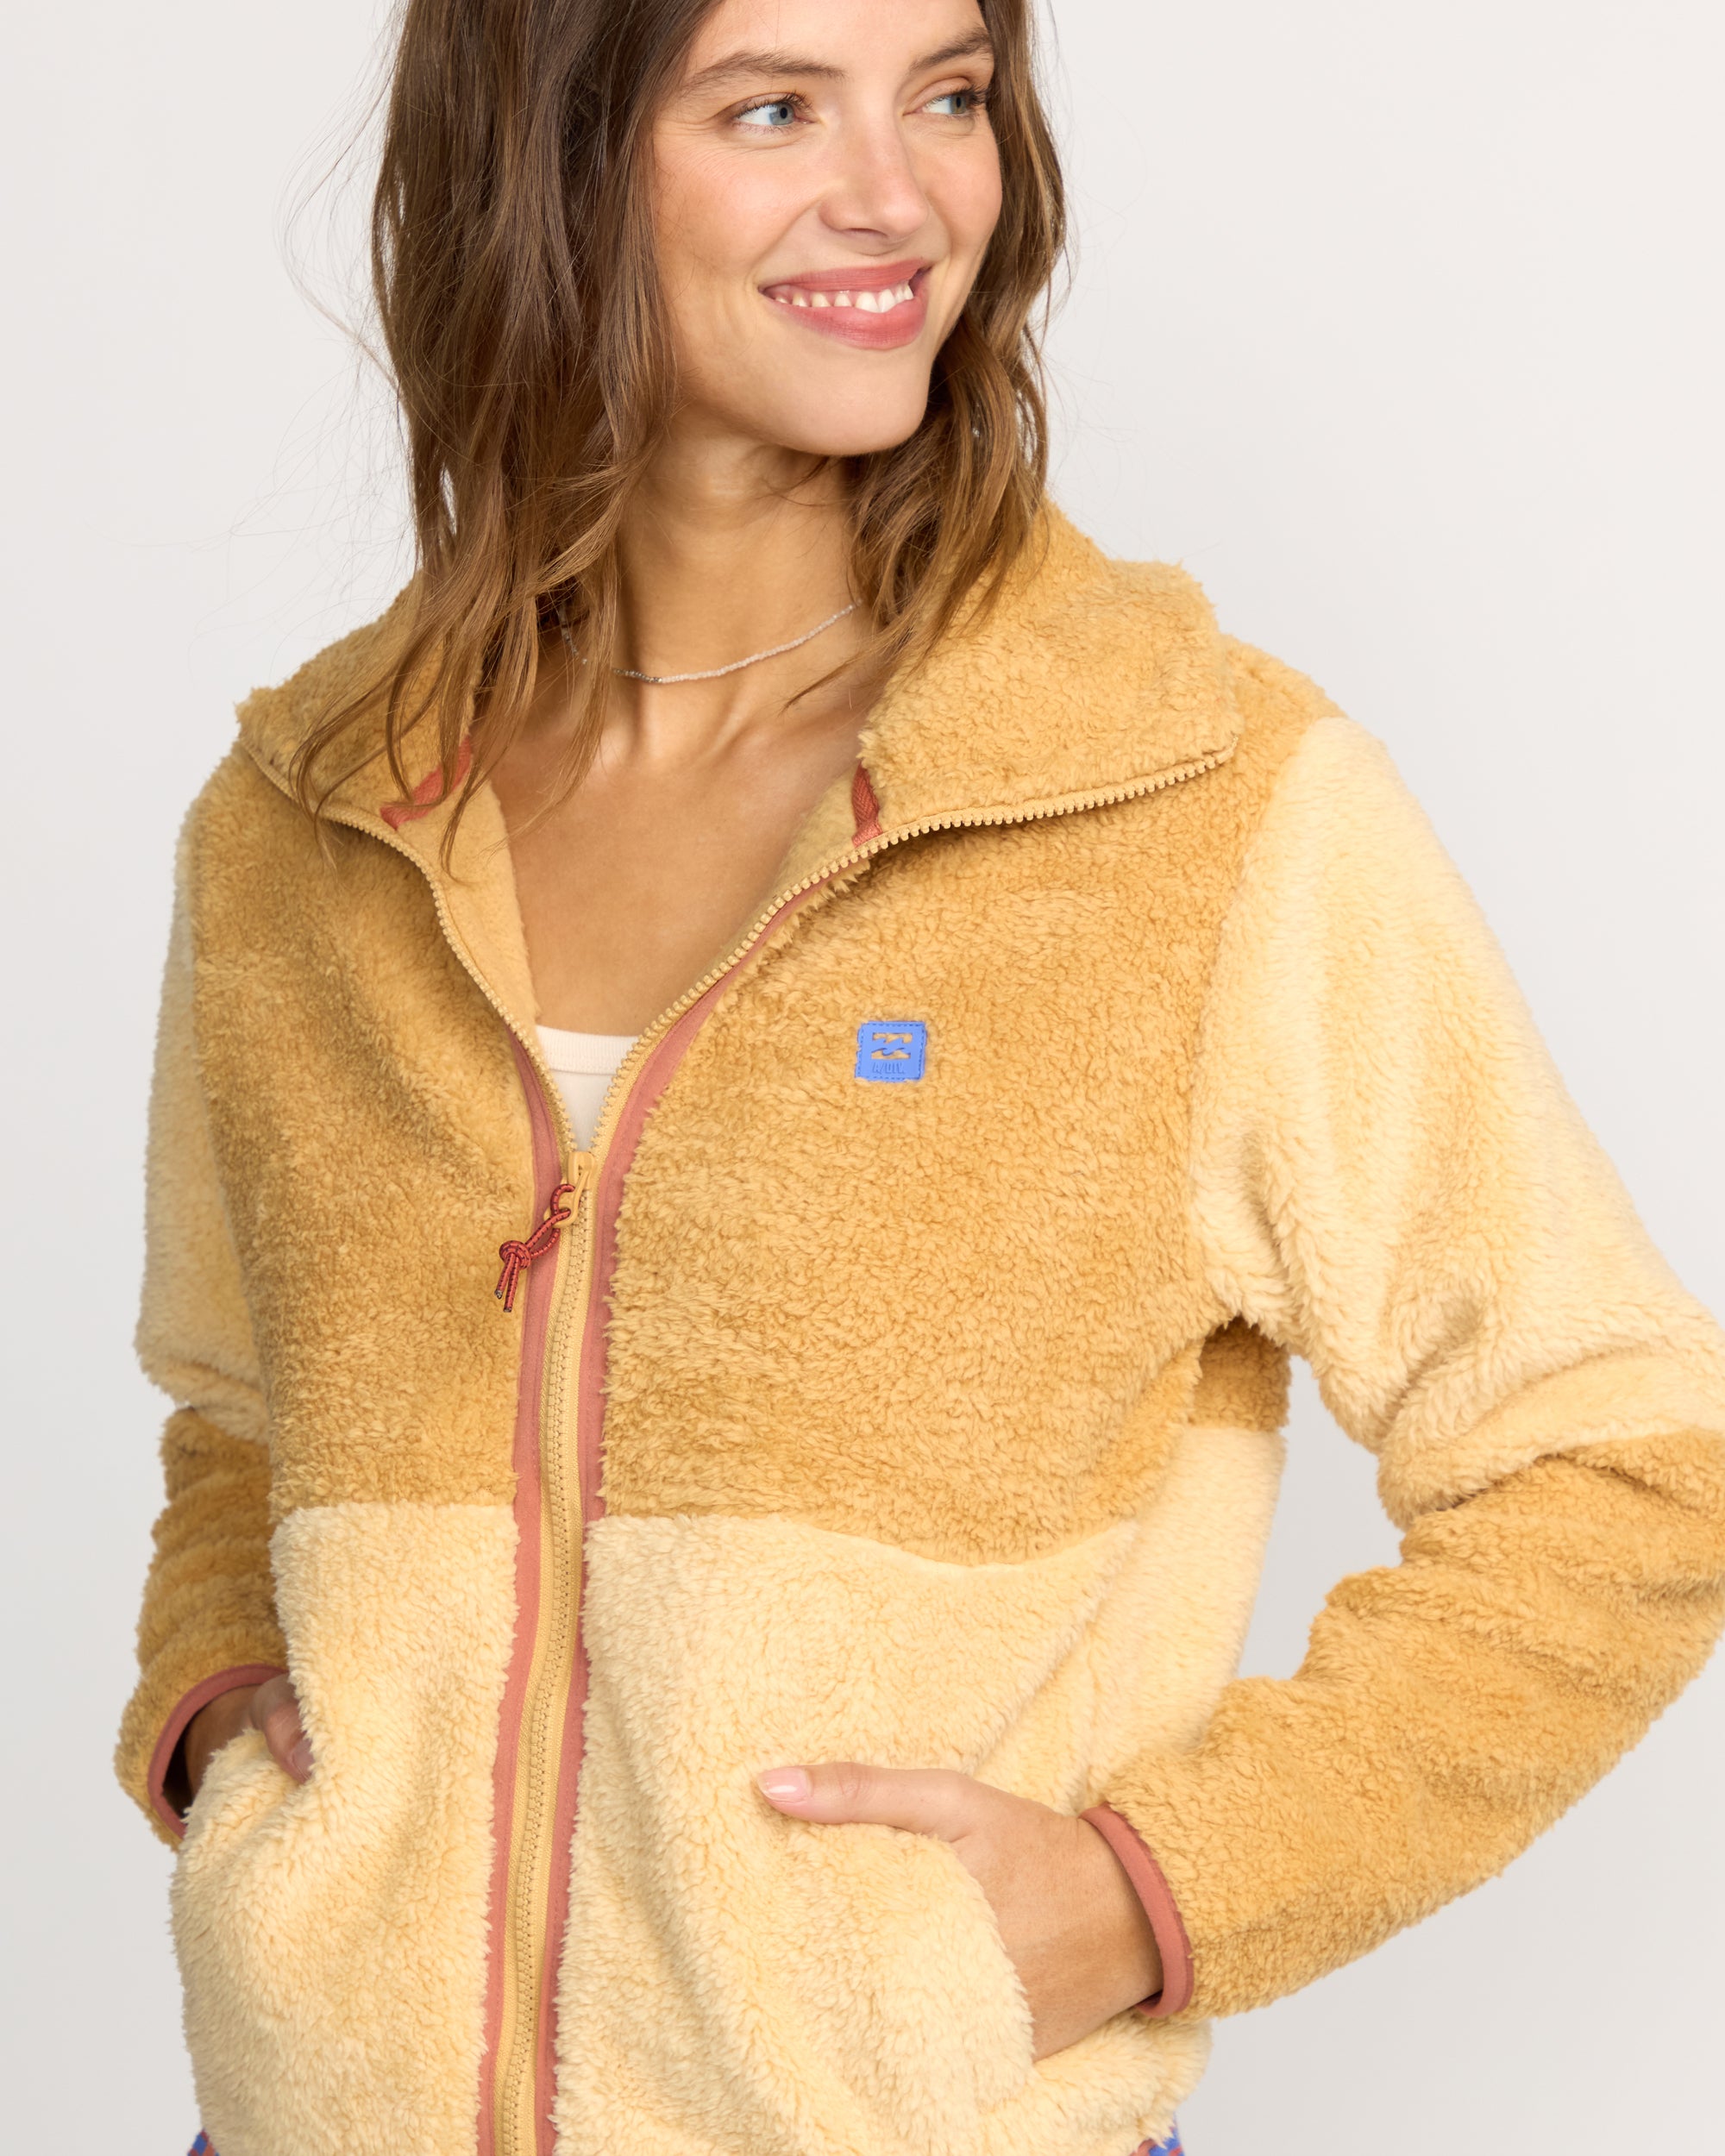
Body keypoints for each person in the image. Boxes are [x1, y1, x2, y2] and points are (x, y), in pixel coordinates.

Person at [116, 2, 1725, 2153]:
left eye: (949, 94)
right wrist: (222, 1708)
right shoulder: (312, 820)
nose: (900, 197)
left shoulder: (1192, 800)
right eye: (775, 106)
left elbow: (1621, 1458)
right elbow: (242, 1414)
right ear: (547, 161)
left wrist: (1152, 1895)